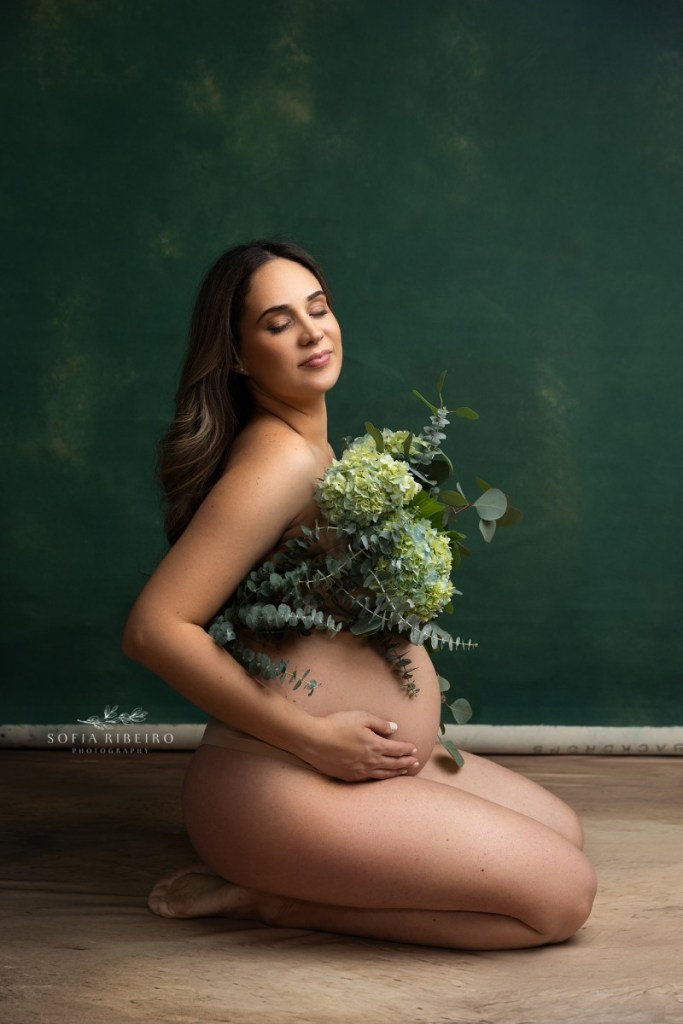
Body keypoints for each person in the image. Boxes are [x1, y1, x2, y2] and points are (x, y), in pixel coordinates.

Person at [122, 240, 596, 949]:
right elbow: (155, 628)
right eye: (278, 323)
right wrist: (312, 740)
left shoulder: (312, 449)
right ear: (237, 358)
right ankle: (275, 903)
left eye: (317, 308)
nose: (313, 331)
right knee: (561, 900)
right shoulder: (276, 461)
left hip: (358, 771)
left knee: (564, 833)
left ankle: (310, 871)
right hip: (280, 780)